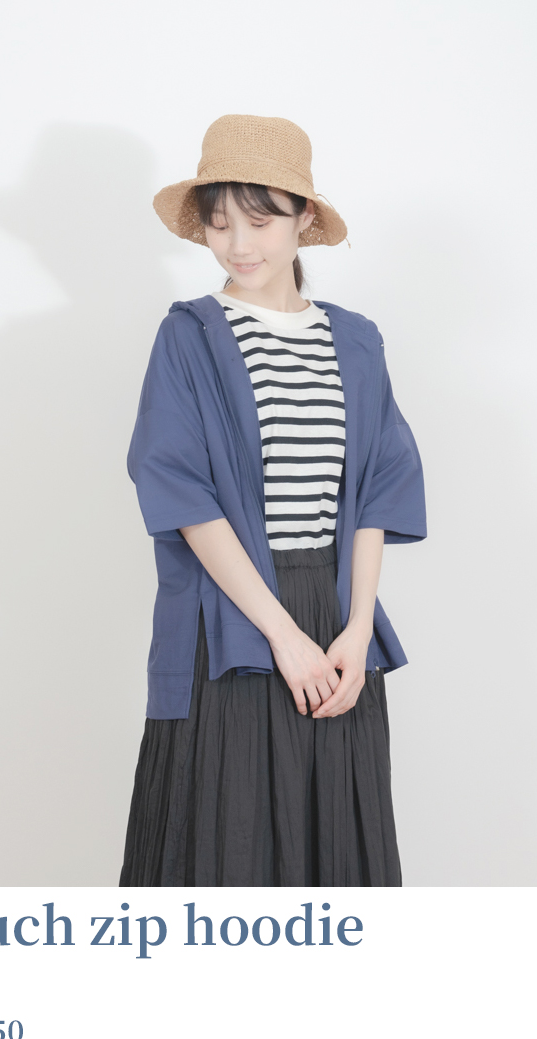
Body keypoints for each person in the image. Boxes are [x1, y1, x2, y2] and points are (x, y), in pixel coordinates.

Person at [119, 114, 426, 887]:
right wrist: (283, 636)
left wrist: (356, 628)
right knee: (228, 841)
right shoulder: (189, 336)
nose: (237, 244)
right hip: (230, 617)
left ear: (302, 219)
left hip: (334, 615)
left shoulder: (354, 341)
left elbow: (378, 488)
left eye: (259, 220)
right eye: (219, 222)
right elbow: (182, 493)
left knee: (335, 843)